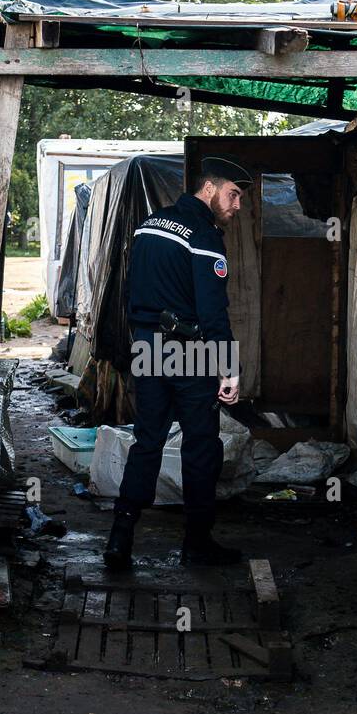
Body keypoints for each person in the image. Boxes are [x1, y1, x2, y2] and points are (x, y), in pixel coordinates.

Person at [103, 156, 253, 569]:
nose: (237, 205)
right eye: (233, 194)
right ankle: (197, 544)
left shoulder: (150, 223)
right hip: (191, 352)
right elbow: (212, 308)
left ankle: (120, 538)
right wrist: (229, 365)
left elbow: (131, 288)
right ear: (209, 189)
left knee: (147, 442)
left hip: (148, 348)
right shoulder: (204, 235)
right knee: (201, 447)